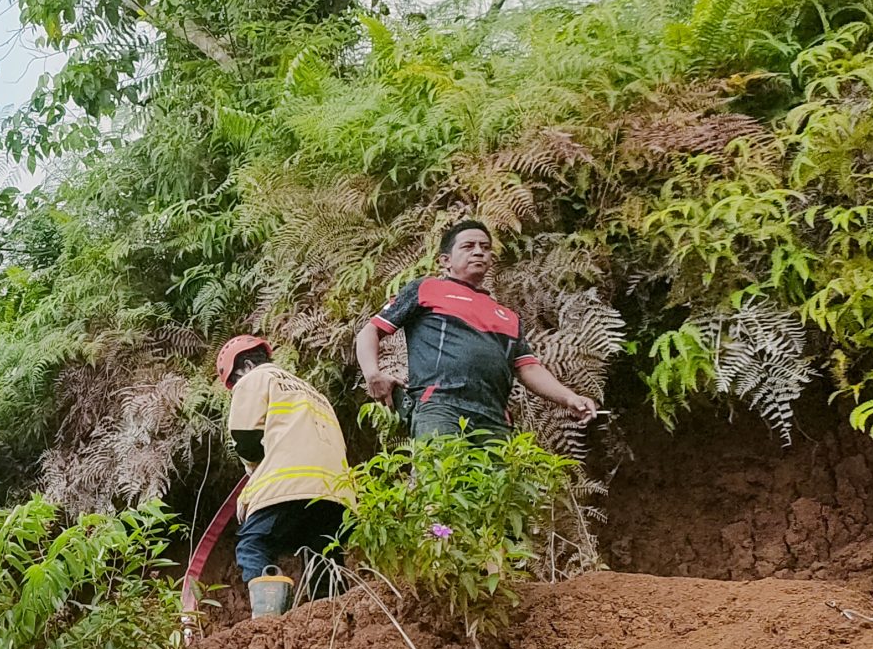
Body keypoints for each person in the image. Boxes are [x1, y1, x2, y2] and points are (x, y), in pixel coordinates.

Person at [356, 220, 598, 439]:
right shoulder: (427, 289)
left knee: (496, 477)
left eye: (485, 247)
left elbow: (529, 368)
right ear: (445, 260)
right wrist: (372, 374)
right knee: (442, 474)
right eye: (468, 246)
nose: (479, 251)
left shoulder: (508, 316)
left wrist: (569, 397)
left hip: (495, 417)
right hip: (440, 407)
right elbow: (371, 331)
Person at [218, 335, 355, 600]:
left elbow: (246, 439)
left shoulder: (256, 379)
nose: (237, 386)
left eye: (234, 379)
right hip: (335, 492)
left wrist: (252, 468)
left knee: (253, 545)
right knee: (322, 555)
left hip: (288, 484)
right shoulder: (315, 394)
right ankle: (333, 614)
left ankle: (267, 616)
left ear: (247, 366)